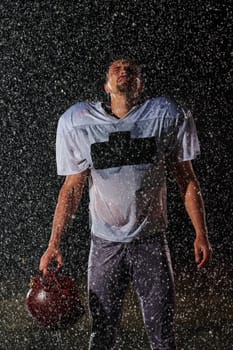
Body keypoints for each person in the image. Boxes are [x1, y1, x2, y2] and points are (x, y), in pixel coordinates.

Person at [39, 57, 212, 350]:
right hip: (105, 243)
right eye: (116, 69)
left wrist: (201, 233)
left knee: (163, 335)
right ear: (107, 86)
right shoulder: (79, 121)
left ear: (140, 85)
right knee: (102, 335)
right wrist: (54, 242)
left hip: (151, 241)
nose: (124, 71)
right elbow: (71, 189)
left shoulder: (166, 116)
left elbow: (187, 180)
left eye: (131, 70)